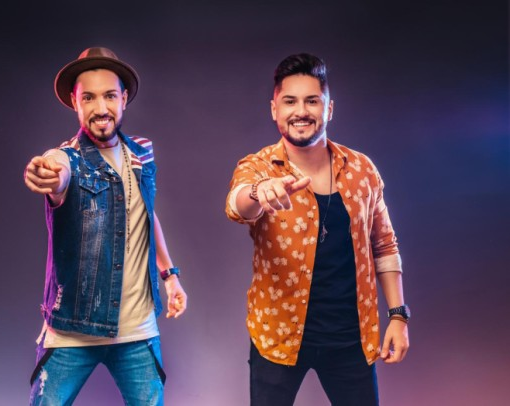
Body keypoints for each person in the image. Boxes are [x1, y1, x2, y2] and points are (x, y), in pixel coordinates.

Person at [225, 53, 410, 406]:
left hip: (350, 337)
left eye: (312, 101)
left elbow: (385, 246)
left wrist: (398, 316)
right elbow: (237, 205)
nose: (301, 111)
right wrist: (259, 191)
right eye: (290, 101)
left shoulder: (362, 170)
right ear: (274, 109)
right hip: (278, 335)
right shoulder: (259, 167)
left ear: (329, 108)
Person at [24, 47, 187, 406]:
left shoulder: (142, 152)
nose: (101, 108)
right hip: (72, 330)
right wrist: (47, 175)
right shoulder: (67, 158)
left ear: (124, 98)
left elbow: (146, 214)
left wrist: (170, 275)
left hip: (137, 331)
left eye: (110, 95)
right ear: (75, 102)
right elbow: (56, 170)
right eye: (89, 98)